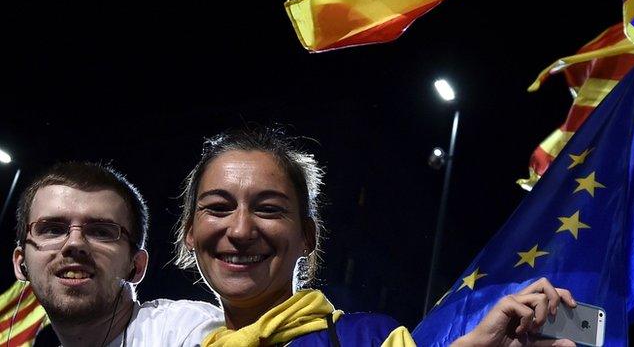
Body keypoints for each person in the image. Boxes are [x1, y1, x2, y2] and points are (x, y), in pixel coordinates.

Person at [174, 126, 578, 346]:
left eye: (269, 209)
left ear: (307, 236)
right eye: (218, 207)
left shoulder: (367, 339)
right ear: (190, 232)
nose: (241, 230)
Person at [10, 161, 223, 347]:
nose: (75, 243)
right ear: (21, 264)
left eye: (101, 232)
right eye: (53, 229)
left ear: (136, 266)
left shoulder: (187, 332)